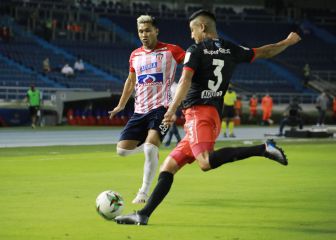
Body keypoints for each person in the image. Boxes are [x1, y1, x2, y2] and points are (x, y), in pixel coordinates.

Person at [115, 9, 301, 225]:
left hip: (197, 114)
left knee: (204, 162)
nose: (191, 36)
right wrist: (287, 41)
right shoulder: (231, 49)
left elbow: (184, 81)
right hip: (212, 115)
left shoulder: (195, 50)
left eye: (192, 30)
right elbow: (265, 52)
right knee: (169, 166)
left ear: (202, 27)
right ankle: (143, 214)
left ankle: (263, 149)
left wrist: (172, 108)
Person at [108, 15, 185, 204]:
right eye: (141, 31)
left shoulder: (172, 51)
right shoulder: (135, 55)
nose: (144, 34)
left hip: (162, 109)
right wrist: (121, 104)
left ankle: (143, 192)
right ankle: (152, 147)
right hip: (139, 111)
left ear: (156, 31)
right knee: (122, 151)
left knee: (150, 148)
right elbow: (131, 81)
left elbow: (193, 65)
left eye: (148, 30)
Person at [164, 81, 182, 147]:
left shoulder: (174, 87)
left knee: (172, 125)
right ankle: (169, 142)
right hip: (173, 108)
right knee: (172, 125)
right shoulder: (171, 87)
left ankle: (178, 140)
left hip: (176, 108)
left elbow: (176, 99)